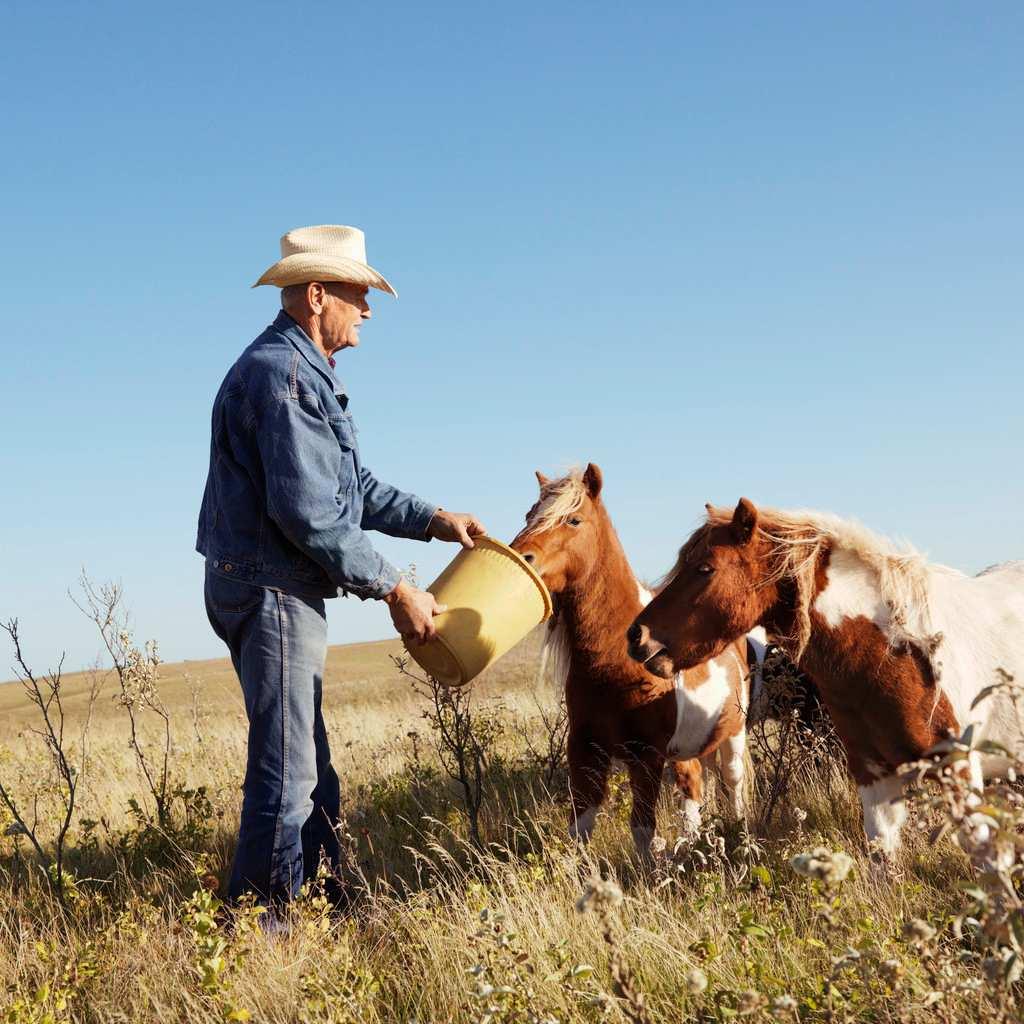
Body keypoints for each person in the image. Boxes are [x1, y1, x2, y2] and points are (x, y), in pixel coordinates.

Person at [196, 224, 485, 905]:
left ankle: (325, 903)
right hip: (272, 591)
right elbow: (310, 515)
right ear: (318, 294)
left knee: (307, 769)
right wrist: (394, 587)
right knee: (289, 776)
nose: (369, 310)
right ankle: (266, 932)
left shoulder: (298, 370)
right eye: (360, 294)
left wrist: (434, 520)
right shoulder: (285, 376)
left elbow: (347, 491)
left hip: (274, 586)